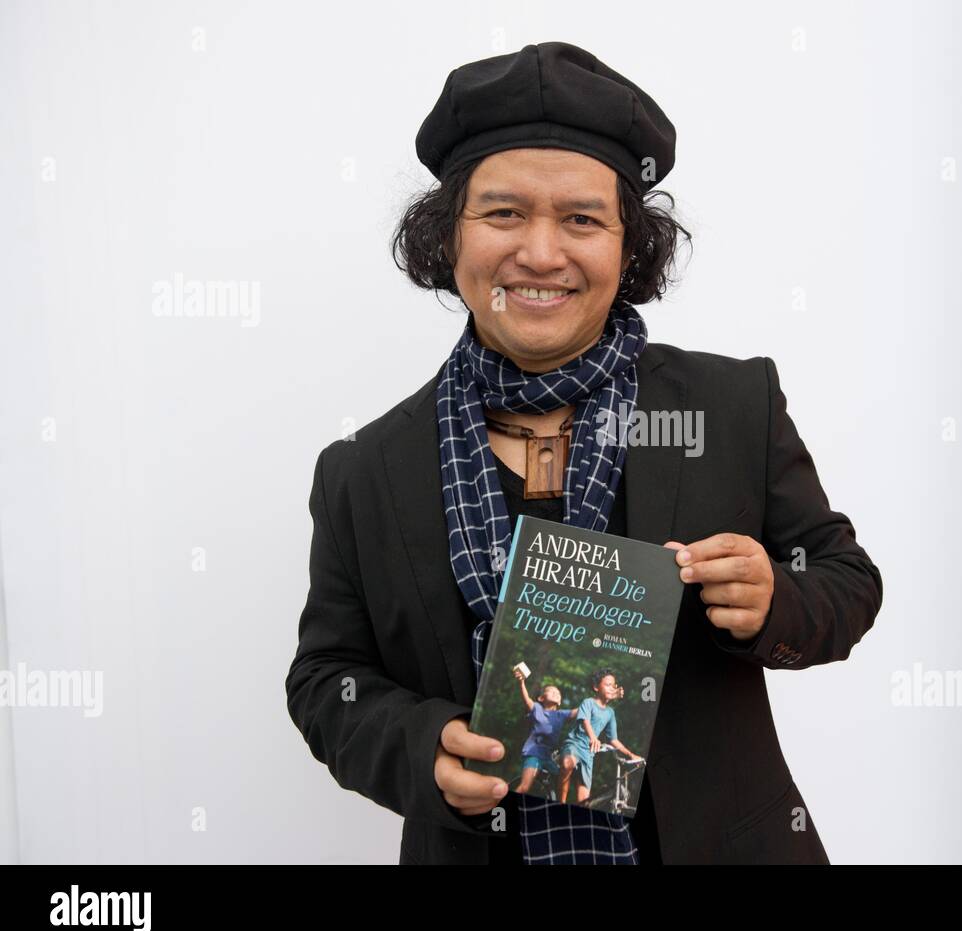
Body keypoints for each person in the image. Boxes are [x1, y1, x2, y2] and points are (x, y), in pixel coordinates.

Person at [286, 41, 884, 865]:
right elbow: (326, 680)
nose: (540, 252)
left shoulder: (731, 405)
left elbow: (846, 582)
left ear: (628, 245)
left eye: (581, 219)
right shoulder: (365, 469)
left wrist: (774, 596)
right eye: (502, 213)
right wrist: (425, 747)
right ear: (447, 237)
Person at [557, 670, 641, 806]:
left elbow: (614, 740)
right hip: (574, 744)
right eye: (607, 684)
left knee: (584, 802)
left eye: (613, 685)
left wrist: (631, 755)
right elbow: (585, 721)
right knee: (568, 763)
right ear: (596, 687)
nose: (612, 688)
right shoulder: (588, 702)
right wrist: (593, 738)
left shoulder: (610, 713)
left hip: (588, 754)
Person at [514, 670, 576, 796]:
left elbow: (580, 710)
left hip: (548, 758)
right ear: (541, 698)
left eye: (558, 693)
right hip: (534, 753)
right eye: (551, 691)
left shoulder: (561, 714)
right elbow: (526, 700)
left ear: (559, 702)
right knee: (525, 787)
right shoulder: (537, 708)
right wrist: (521, 682)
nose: (556, 693)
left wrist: (597, 700)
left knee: (563, 776)